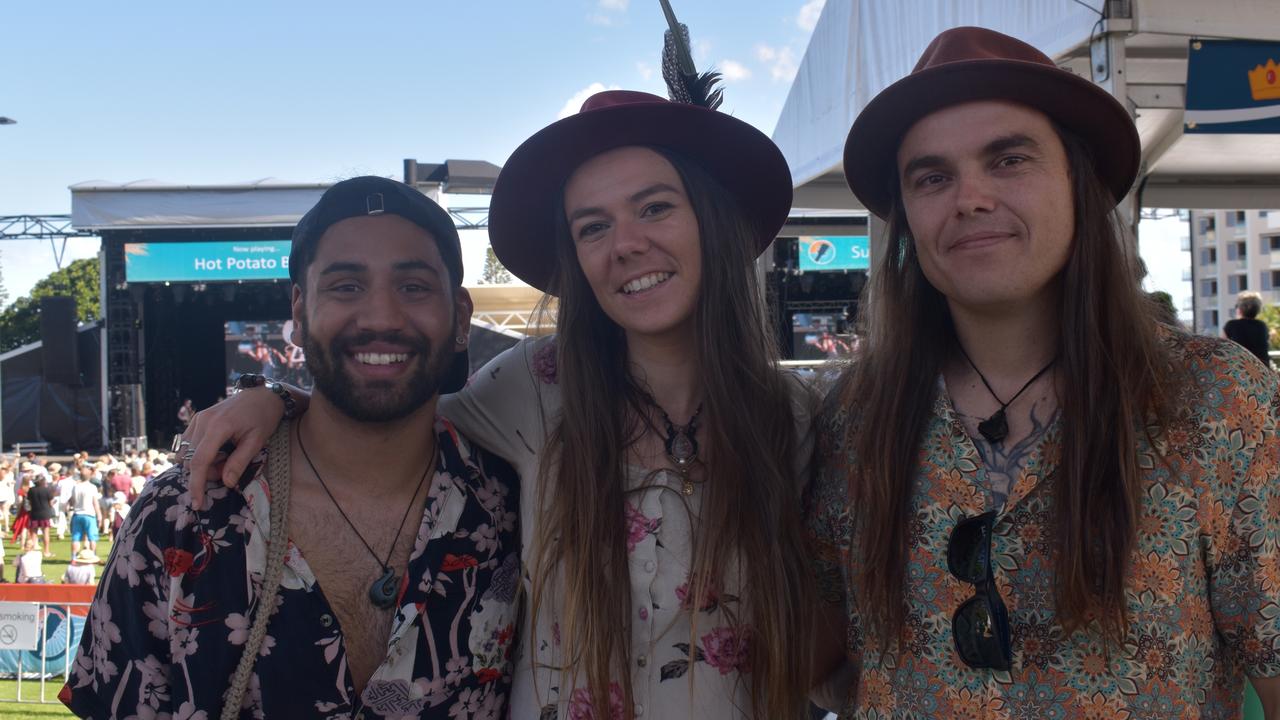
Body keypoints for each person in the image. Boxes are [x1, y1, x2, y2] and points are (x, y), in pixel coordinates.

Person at [179, 25, 846, 720]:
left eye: (654, 207)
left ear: (711, 219)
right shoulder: (534, 386)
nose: (626, 245)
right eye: (592, 227)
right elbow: (387, 419)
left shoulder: (797, 419)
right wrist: (278, 400)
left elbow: (835, 657)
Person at [805, 26, 1280, 717]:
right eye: (932, 177)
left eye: (1008, 160)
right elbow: (827, 661)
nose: (968, 197)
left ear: (1077, 183)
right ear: (906, 217)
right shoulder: (854, 415)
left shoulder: (1213, 397)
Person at [63, 176, 521, 720]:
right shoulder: (184, 511)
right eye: (346, 286)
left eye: (414, 287)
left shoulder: (514, 508)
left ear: (462, 317)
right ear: (299, 315)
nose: (380, 317)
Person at [1225, 290, 1271, 367]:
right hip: (1263, 369)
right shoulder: (1262, 326)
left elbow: (1222, 346)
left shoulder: (1231, 325)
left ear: (1240, 309)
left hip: (1241, 368)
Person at [68, 465, 101, 559]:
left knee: (76, 537)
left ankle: (73, 556)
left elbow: (72, 501)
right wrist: (99, 514)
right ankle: (93, 555)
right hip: (89, 514)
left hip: (77, 513)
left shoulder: (76, 487)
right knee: (92, 537)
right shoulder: (92, 487)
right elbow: (95, 503)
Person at [25, 473, 56, 557]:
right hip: (45, 513)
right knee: (45, 532)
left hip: (34, 513)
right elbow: (51, 503)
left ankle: (33, 549)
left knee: (34, 533)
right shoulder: (47, 490)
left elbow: (30, 503)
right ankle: (46, 551)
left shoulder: (31, 490)